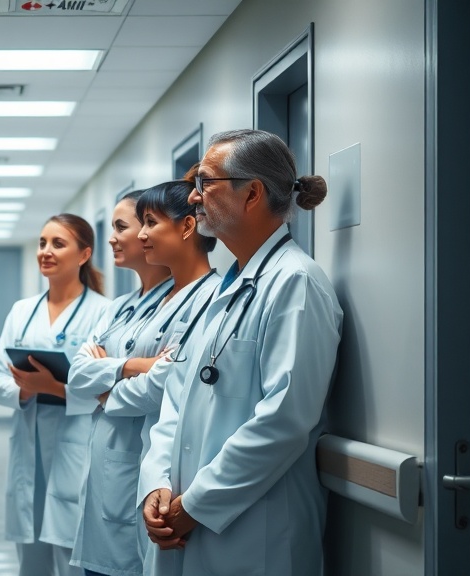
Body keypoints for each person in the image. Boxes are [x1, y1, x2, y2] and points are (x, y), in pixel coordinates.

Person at [141, 129, 343, 576]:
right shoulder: (228, 286)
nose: (193, 199)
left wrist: (195, 505)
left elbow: (284, 419)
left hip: (258, 532)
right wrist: (155, 484)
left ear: (251, 194)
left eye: (204, 184)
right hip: (186, 516)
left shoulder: (296, 283)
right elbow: (175, 398)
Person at [68, 181, 218, 576]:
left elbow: (166, 384)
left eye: (146, 223)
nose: (140, 234)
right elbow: (78, 371)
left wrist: (105, 391)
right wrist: (130, 367)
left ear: (186, 227)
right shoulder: (132, 305)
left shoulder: (211, 298)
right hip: (111, 462)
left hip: (147, 464)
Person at [0, 214, 110, 576]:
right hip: (29, 441)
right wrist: (23, 391)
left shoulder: (104, 312)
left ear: (84, 253)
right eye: (42, 243)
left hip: (78, 441)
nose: (46, 251)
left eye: (58, 243)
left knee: (73, 553)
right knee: (31, 560)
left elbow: (106, 388)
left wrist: (55, 388)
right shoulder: (22, 311)